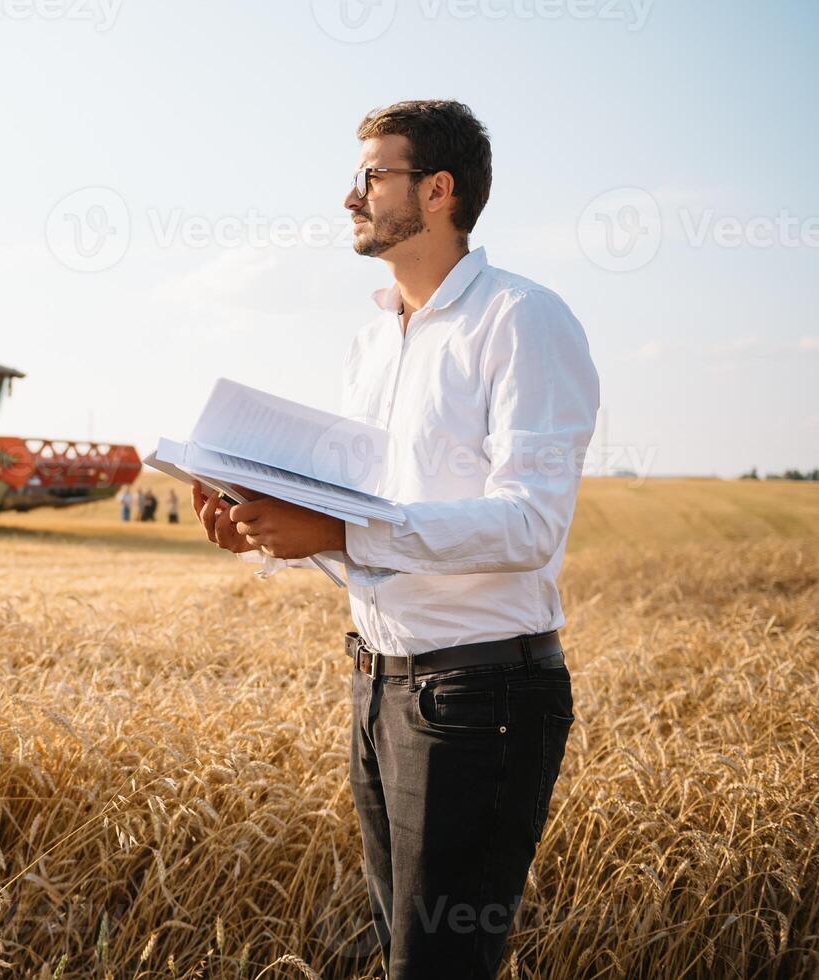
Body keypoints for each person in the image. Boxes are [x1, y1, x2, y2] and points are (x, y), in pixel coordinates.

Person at [190, 100, 599, 980]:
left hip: (481, 698)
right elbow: (378, 533)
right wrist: (272, 530)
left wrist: (336, 527)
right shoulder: (370, 345)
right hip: (377, 686)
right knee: (405, 960)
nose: (350, 197)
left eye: (371, 176)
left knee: (438, 967)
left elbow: (530, 523)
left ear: (438, 190)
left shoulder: (523, 320)